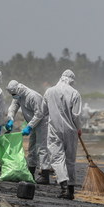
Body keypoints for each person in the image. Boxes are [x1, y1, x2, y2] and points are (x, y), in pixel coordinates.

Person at [42, 69, 82, 199]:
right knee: (70, 160)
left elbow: (44, 110)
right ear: (71, 80)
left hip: (54, 130)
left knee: (57, 158)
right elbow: (76, 115)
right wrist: (79, 128)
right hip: (71, 130)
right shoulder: (74, 93)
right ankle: (71, 190)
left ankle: (64, 187)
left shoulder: (49, 91)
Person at [5, 80, 49, 183]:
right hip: (33, 123)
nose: (13, 96)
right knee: (32, 148)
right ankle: (30, 173)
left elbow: (39, 114)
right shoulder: (18, 95)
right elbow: (13, 107)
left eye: (14, 94)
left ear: (18, 90)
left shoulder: (32, 96)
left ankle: (45, 175)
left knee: (42, 148)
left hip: (43, 123)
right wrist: (10, 118)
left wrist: (29, 126)